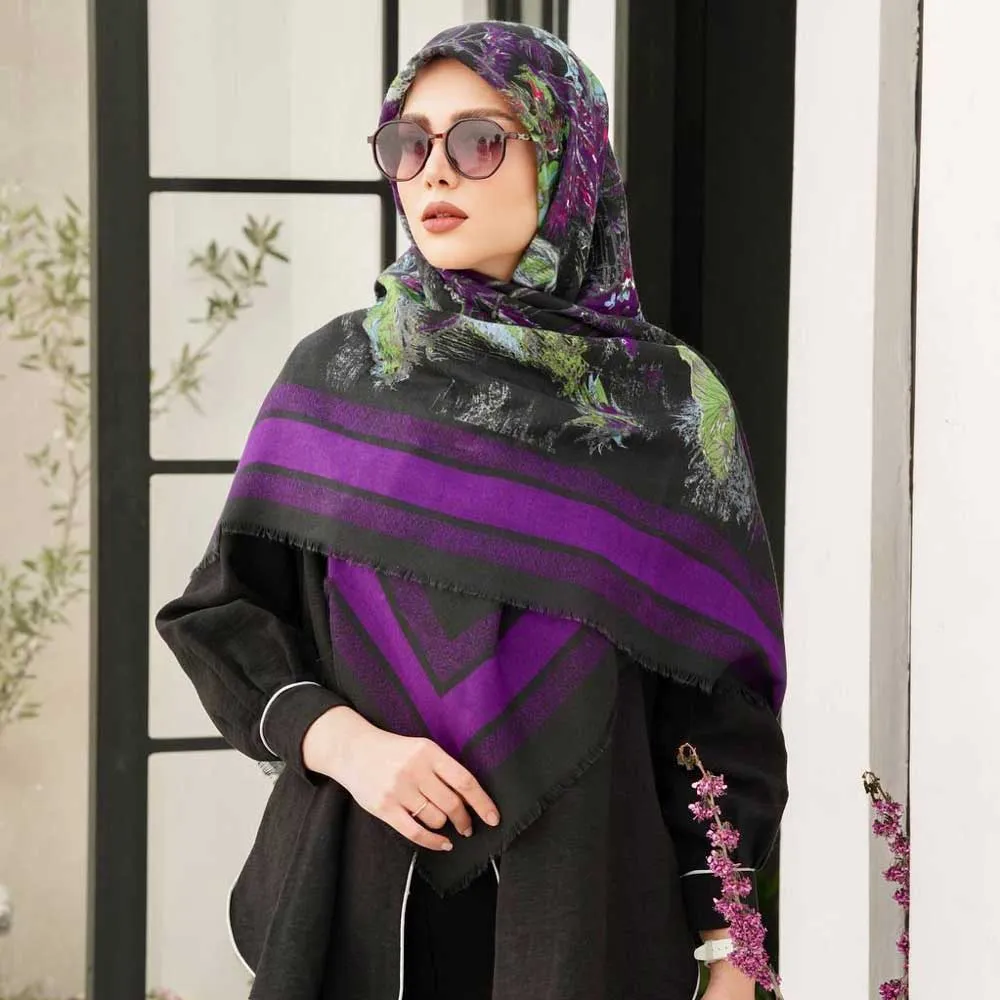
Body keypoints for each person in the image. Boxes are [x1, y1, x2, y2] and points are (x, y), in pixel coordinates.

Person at [156, 20, 788, 1000]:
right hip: (356, 900)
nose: (434, 172)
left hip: (587, 910)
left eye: (479, 140)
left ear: (566, 159)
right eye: (408, 144)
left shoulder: (665, 407)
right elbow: (224, 614)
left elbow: (719, 704)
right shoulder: (343, 375)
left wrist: (730, 944)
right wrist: (345, 744)